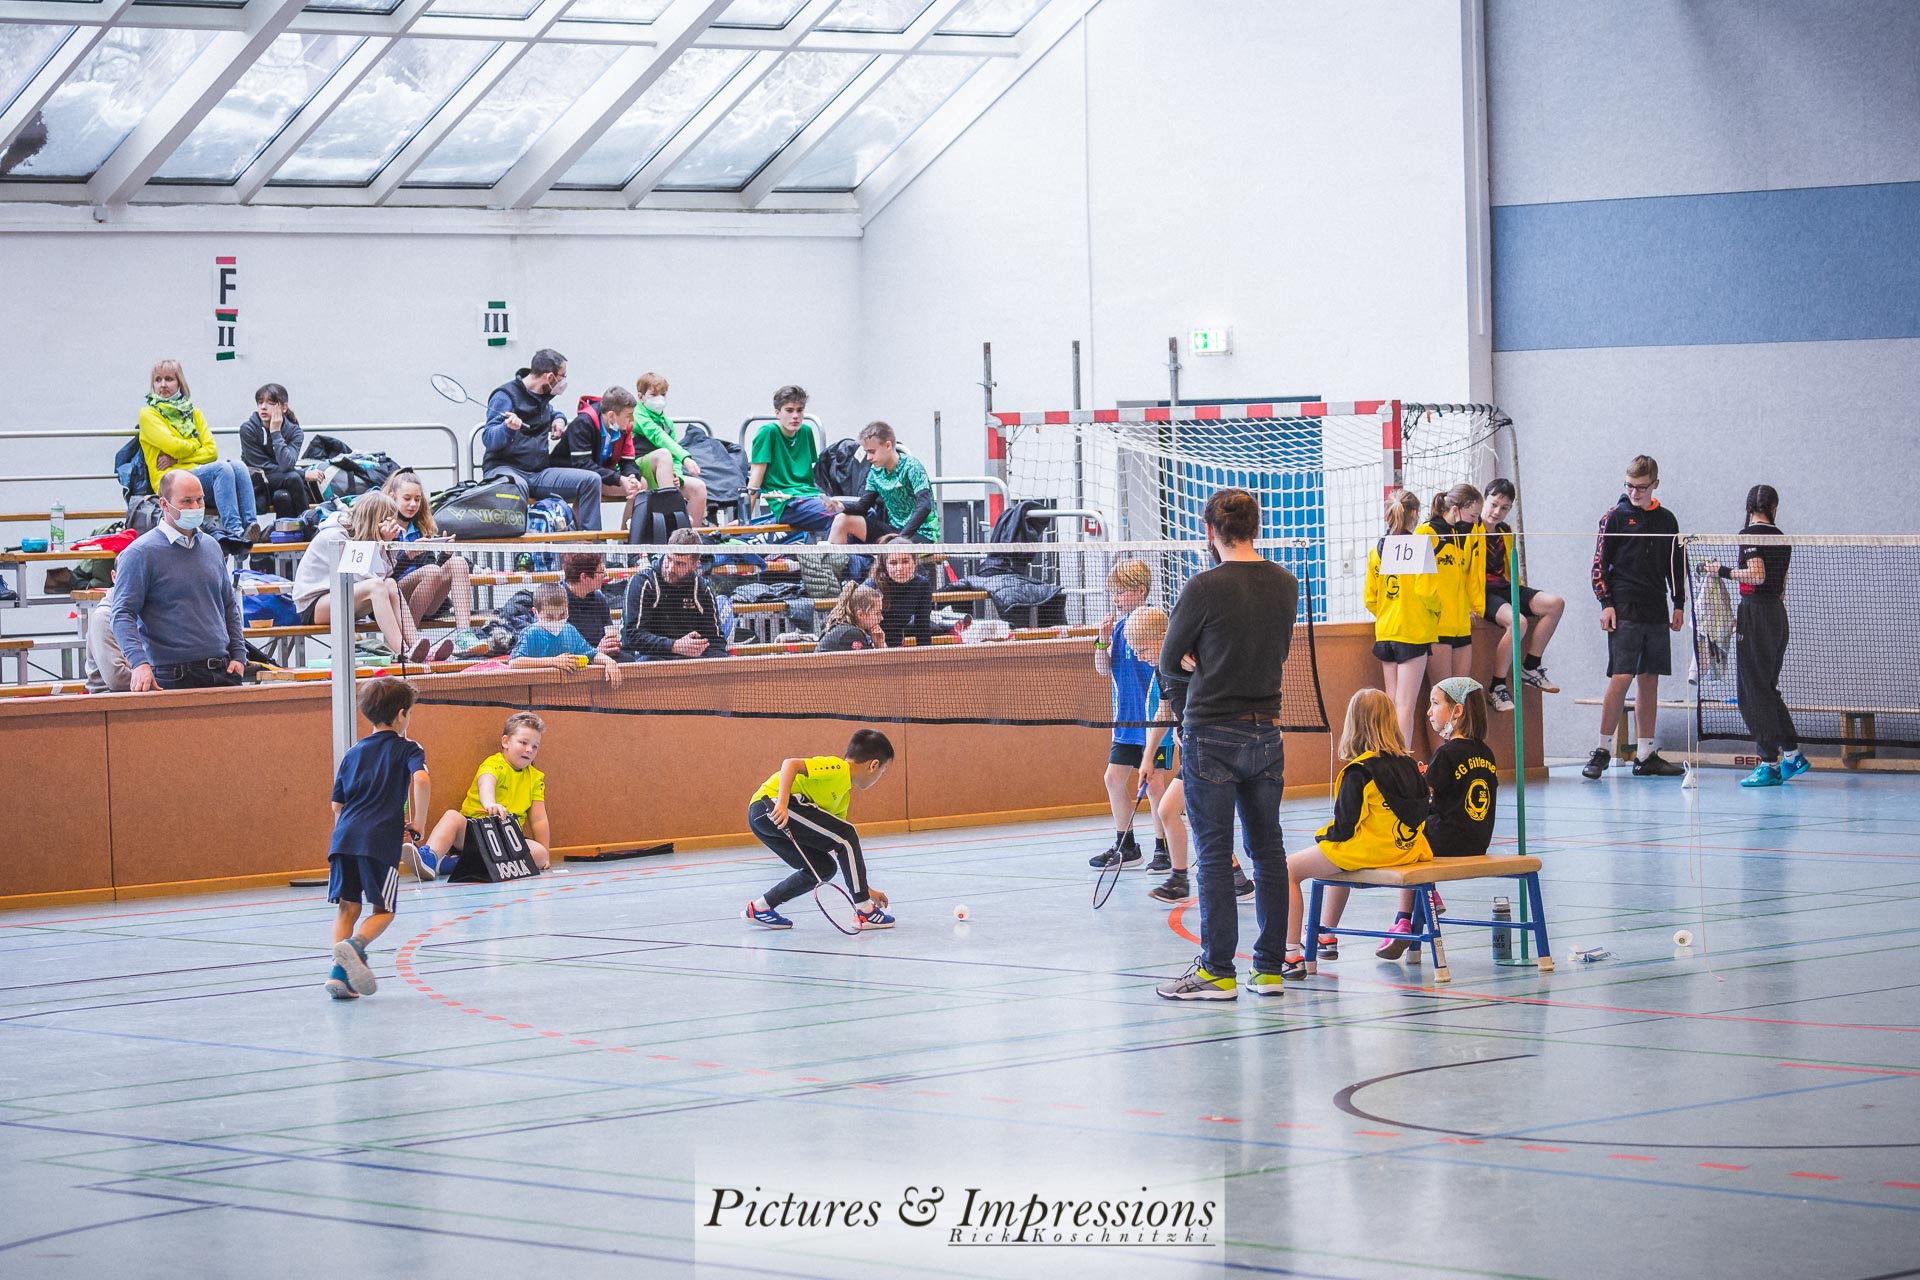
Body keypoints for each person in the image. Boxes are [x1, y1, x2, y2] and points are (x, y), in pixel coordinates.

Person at [1154, 488, 1298, 1002]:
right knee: (1268, 850)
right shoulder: (1285, 583)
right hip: (1266, 732)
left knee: (1214, 854)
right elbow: (1275, 649)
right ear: (1255, 528)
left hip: (1211, 732)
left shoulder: (1203, 587)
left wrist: (1197, 656)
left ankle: (1217, 972)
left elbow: (1168, 661)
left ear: (1210, 531)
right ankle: (1270, 970)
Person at [1283, 688, 1433, 974]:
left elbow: (1343, 829)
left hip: (1371, 852)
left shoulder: (1359, 771)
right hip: (1408, 851)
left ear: (1353, 723)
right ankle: (1325, 936)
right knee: (1336, 859)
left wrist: (1322, 836)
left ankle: (1290, 953)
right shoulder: (1410, 765)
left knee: (1288, 869)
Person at [1138, 609, 1258, 907]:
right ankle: (1234, 879)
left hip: (1210, 746)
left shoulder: (1192, 660)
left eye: (1143, 649)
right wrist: (1147, 758)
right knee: (1191, 814)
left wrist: (1194, 726)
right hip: (1191, 749)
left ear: (1162, 638)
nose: (1140, 656)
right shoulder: (1162, 669)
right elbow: (1164, 712)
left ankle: (1181, 880)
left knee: (1170, 810)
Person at [1375, 678, 1497, 959]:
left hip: (1443, 840)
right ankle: (1414, 912)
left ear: (1457, 711)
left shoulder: (1447, 753)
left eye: (1434, 703)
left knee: (1407, 836)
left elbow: (1420, 797)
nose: (1428, 712)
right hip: (1478, 841)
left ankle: (1404, 918)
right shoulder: (1486, 753)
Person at [324, 677, 429, 999]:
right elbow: (422, 780)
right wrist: (419, 823)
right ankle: (356, 946)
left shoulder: (352, 753)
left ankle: (340, 976)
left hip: (343, 839)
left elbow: (337, 805)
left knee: (347, 908)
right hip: (378, 841)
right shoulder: (409, 748)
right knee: (384, 909)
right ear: (401, 715)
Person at [1583, 454, 1687, 779]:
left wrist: (1679, 603)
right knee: (1621, 676)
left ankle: (1645, 754)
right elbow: (1598, 565)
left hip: (1656, 607)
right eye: (1629, 485)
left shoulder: (1667, 520)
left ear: (1655, 484)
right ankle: (1602, 749)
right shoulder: (1613, 517)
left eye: (1641, 487)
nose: (1634, 492)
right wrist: (1606, 603)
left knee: (1649, 678)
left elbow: (1675, 565)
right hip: (1624, 606)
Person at [1705, 484, 1808, 788]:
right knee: (1767, 688)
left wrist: (1721, 570)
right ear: (1774, 508)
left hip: (1759, 613)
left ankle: (1768, 763)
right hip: (1775, 614)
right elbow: (1781, 586)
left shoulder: (1749, 534)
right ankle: (1792, 755)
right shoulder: (1782, 538)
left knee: (1752, 692)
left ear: (1748, 507)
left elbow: (1757, 574)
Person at [742, 729, 896, 931]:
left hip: (764, 822)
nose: (880, 776)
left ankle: (760, 907)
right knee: (847, 834)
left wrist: (866, 889)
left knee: (823, 868)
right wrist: (782, 803)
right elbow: (791, 764)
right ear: (873, 765)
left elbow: (844, 852)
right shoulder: (838, 768)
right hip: (770, 806)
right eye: (883, 771)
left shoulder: (842, 799)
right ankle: (865, 911)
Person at [109, 470, 248, 692]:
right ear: (164, 504)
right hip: (172, 676)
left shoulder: (212, 546)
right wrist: (139, 663)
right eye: (186, 501)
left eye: (200, 499)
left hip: (223, 671)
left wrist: (239, 655)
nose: (196, 507)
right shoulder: (140, 553)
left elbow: (229, 605)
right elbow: (122, 613)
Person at [291, 491, 438, 661]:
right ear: (377, 520)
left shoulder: (367, 538)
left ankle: (415, 644)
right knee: (376, 586)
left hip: (344, 599)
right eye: (390, 520)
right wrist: (383, 542)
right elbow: (366, 579)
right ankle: (404, 652)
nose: (394, 525)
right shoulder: (337, 536)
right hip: (314, 605)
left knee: (390, 584)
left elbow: (386, 575)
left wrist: (387, 544)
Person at [1090, 561, 1166, 871]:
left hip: (1153, 720)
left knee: (1155, 784)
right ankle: (1127, 847)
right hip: (1125, 722)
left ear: (1140, 590)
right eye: (1114, 593)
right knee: (1113, 779)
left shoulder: (1155, 626)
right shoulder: (1119, 628)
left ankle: (1163, 849)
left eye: (1121, 592)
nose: (1116, 598)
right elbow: (1102, 668)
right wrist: (1102, 639)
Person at [413, 712, 555, 878]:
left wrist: (546, 853)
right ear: (506, 742)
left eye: (535, 746)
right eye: (523, 742)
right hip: (474, 833)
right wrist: (490, 804)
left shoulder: (536, 778)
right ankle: (429, 857)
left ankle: (456, 864)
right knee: (452, 817)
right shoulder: (493, 764)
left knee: (539, 854)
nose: (529, 749)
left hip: (507, 841)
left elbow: (539, 819)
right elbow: (486, 784)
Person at [137, 358, 259, 544]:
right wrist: (195, 443)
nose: (163, 385)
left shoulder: (194, 413)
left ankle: (251, 527)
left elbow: (211, 451)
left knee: (239, 466)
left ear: (179, 382)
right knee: (221, 469)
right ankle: (234, 532)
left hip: (196, 477)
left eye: (169, 379)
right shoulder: (148, 414)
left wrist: (177, 458)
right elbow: (174, 446)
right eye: (158, 380)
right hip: (169, 480)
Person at [481, 348, 603, 531]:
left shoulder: (543, 398)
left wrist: (559, 420)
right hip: (505, 470)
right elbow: (489, 438)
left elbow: (553, 412)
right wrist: (507, 428)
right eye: (562, 376)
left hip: (538, 474)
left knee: (591, 480)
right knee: (517, 486)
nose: (564, 381)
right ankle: (521, 547)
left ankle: (592, 545)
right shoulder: (505, 396)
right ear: (550, 377)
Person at [1365, 489, 1441, 751]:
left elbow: (1370, 598)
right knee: (1406, 705)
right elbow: (1426, 591)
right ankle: (1401, 760)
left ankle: (1389, 756)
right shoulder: (1419, 547)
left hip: (1386, 632)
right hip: (1412, 631)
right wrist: (1437, 611)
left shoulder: (1377, 550)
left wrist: (1388, 614)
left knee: (1392, 702)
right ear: (1414, 514)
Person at [1481, 478, 1564, 713]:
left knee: (1555, 604)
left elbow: (1508, 568)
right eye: (1493, 504)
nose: (1497, 512)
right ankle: (1497, 686)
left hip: (1505, 586)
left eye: (1504, 508)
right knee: (1518, 623)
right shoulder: (1470, 530)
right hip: (1483, 592)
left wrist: (1518, 587)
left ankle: (1531, 666)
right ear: (1484, 499)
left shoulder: (1504, 531)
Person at [382, 470, 482, 655]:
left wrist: (445, 555)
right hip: (394, 596)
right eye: (407, 498)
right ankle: (411, 639)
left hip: (426, 599)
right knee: (431, 571)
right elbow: (382, 575)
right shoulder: (383, 528)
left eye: (417, 499)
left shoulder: (421, 528)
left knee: (458, 562)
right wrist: (407, 556)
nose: (413, 504)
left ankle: (464, 633)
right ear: (392, 497)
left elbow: (433, 568)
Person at [621, 527, 729, 660]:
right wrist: (674, 646)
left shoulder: (702, 589)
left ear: (695, 565)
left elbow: (715, 639)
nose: (671, 568)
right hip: (646, 658)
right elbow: (634, 636)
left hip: (688, 661)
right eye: (669, 559)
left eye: (679, 564)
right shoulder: (643, 582)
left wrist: (717, 662)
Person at [745, 385, 837, 535]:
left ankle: (851, 551)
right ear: (777, 413)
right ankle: (831, 550)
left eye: (800, 410)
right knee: (838, 517)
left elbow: (808, 477)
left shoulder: (806, 431)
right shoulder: (768, 433)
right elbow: (755, 479)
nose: (795, 416)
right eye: (789, 410)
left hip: (812, 497)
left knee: (865, 513)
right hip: (787, 502)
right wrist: (744, 519)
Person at [829, 421, 940, 546]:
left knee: (895, 545)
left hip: (922, 534)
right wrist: (842, 506)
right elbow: (863, 506)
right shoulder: (875, 472)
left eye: (872, 452)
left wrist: (901, 538)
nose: (868, 458)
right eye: (866, 452)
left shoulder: (912, 467)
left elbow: (924, 506)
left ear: (888, 446)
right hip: (893, 531)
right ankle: (834, 558)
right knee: (841, 520)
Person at [1418, 483, 1485, 688]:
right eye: (1473, 515)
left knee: (1460, 693)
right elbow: (1418, 582)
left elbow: (1463, 579)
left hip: (1461, 625)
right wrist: (1435, 609)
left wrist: (1469, 607)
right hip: (1438, 626)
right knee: (1441, 694)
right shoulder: (1426, 533)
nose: (1476, 522)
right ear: (1455, 510)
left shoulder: (1459, 537)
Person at [553, 385, 646, 527]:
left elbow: (628, 461)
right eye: (628, 415)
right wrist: (620, 479)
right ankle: (587, 535)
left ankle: (627, 535)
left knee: (640, 484)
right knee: (591, 481)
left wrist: (631, 477)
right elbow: (582, 465)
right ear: (611, 415)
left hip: (597, 475)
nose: (632, 419)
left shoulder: (624, 428)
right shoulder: (583, 423)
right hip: (566, 476)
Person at [509, 582, 623, 685]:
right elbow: (514, 663)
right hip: (536, 691)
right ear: (535, 612)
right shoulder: (530, 634)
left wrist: (609, 662)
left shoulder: (570, 631)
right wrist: (553, 661)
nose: (556, 621)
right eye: (549, 617)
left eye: (562, 615)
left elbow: (592, 655)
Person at [633, 372, 708, 525]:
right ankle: (668, 524)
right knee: (664, 454)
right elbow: (657, 435)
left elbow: (675, 458)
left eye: (663, 395)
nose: (659, 399)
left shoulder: (668, 423)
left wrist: (677, 476)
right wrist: (686, 458)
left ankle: (688, 536)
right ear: (641, 397)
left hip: (662, 470)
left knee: (699, 488)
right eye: (653, 395)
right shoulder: (637, 414)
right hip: (637, 468)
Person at [238, 383, 322, 520]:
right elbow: (261, 466)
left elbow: (287, 465)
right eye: (260, 402)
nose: (263, 407)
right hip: (258, 482)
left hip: (283, 482)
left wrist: (276, 432)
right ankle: (309, 525)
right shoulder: (248, 429)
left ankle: (284, 531)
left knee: (282, 496)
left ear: (284, 407)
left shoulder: (295, 432)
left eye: (270, 403)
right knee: (293, 478)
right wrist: (302, 474)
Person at [869, 536, 934, 647]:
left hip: (897, 646)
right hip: (869, 646)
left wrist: (926, 655)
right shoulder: (871, 586)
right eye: (893, 563)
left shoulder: (922, 586)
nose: (900, 568)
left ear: (914, 562)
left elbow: (922, 627)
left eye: (905, 561)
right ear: (885, 565)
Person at [561, 552, 623, 661]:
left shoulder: (599, 598)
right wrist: (595, 653)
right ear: (584, 577)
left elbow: (607, 634)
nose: (605, 575)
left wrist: (612, 645)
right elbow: (560, 650)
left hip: (602, 659)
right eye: (601, 572)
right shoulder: (558, 601)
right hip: (572, 662)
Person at [84, 569, 132, 694]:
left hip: (141, 695)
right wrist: (164, 675)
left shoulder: (147, 612)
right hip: (110, 699)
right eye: (129, 573)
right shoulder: (103, 617)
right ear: (114, 576)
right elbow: (117, 679)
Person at [816, 582, 887, 652]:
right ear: (860, 614)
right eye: (877, 613)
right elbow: (868, 659)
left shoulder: (844, 627)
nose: (881, 618)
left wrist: (879, 644)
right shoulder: (852, 634)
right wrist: (880, 647)